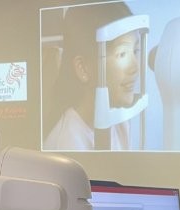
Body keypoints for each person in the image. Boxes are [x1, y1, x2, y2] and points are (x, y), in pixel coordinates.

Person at [43, 2, 142, 151]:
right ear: (83, 68)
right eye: (122, 54)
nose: (135, 67)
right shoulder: (67, 143)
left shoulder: (120, 121)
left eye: (135, 51)